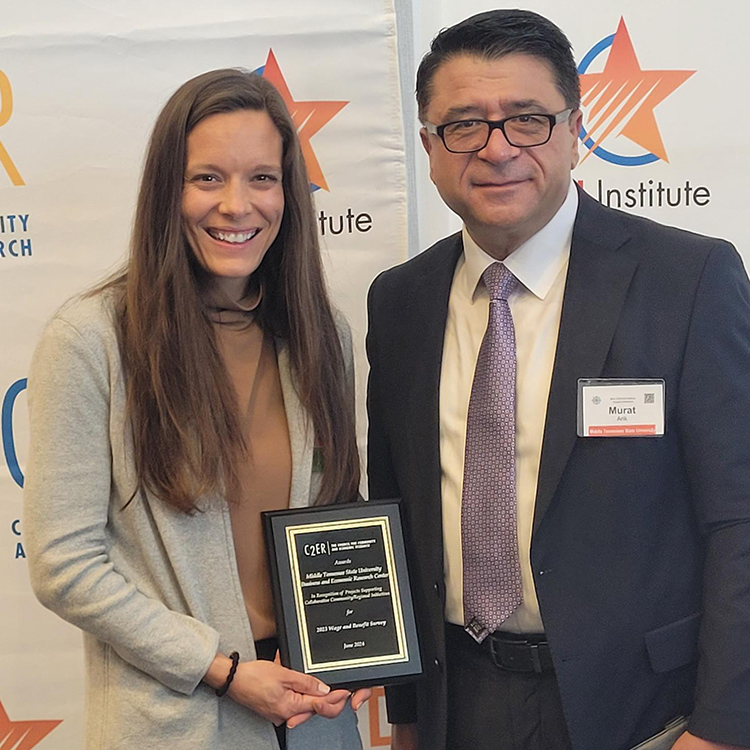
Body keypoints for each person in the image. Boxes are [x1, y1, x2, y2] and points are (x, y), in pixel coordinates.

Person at [366, 10, 750, 750]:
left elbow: (741, 516)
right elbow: (397, 514)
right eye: (464, 125)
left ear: (575, 129)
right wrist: (408, 714)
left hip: (645, 714)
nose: (497, 148)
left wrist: (725, 726)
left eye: (528, 120)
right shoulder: (400, 300)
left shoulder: (688, 278)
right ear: (429, 147)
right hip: (459, 699)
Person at [24, 68, 369, 750]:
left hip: (315, 721)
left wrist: (359, 643)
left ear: (289, 194)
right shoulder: (92, 338)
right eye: (207, 178)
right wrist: (223, 670)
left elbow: (336, 517)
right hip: (178, 723)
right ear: (166, 192)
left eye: (262, 179)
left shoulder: (322, 334)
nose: (237, 205)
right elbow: (63, 564)